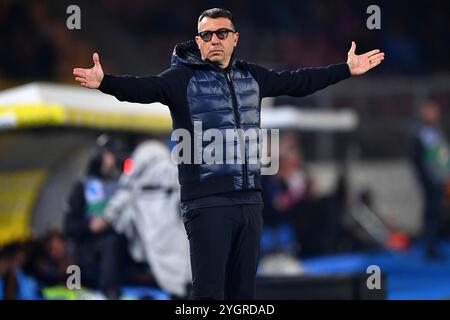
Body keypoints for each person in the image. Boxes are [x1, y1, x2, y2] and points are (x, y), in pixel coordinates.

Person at [73, 8, 384, 299]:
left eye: (221, 33)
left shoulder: (253, 76)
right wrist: (106, 82)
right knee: (208, 294)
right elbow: (144, 89)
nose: (215, 41)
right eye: (206, 35)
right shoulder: (180, 79)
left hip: (250, 201)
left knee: (243, 296)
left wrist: (345, 69)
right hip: (206, 204)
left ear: (235, 38)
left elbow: (298, 81)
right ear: (198, 41)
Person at [64, 142, 126, 299]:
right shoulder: (83, 186)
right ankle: (109, 293)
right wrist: (90, 226)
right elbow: (69, 226)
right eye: (109, 156)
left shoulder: (122, 186)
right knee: (110, 241)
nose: (113, 161)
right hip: (88, 253)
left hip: (121, 251)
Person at [411, 100, 449, 260]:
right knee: (431, 212)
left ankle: (432, 245)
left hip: (438, 178)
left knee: (436, 212)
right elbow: (420, 158)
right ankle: (430, 246)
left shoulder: (436, 131)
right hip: (431, 180)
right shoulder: (423, 132)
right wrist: (426, 178)